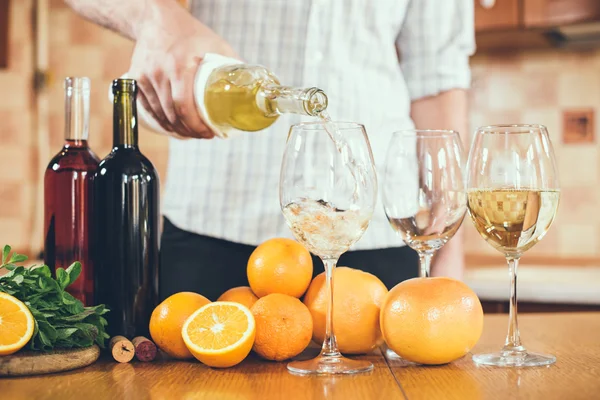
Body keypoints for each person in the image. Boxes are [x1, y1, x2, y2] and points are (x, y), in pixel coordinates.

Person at [65, 0, 475, 301]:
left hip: (377, 235)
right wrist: (155, 19)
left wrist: (450, 246)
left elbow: (436, 72)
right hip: (214, 226)